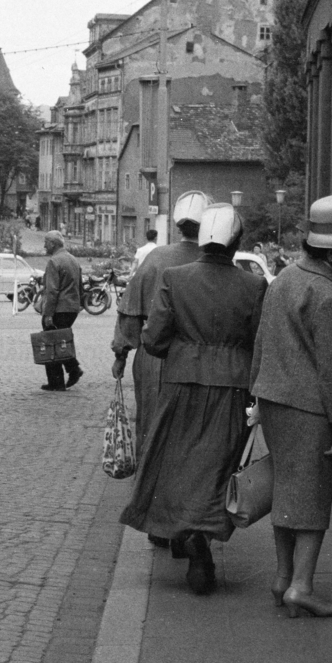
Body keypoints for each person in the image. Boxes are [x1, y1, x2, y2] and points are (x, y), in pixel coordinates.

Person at [119, 204, 266, 594]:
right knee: (218, 464)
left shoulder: (175, 278)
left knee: (179, 460)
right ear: (236, 242)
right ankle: (204, 536)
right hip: (231, 388)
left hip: (182, 383)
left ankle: (186, 533)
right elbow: (258, 342)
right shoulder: (253, 286)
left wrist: (183, 352)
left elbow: (153, 339)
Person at [249, 193, 332, 619]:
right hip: (310, 407)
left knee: (287, 490)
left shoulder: (284, 279)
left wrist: (257, 392)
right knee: (314, 496)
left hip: (274, 399)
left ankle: (283, 578)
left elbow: (261, 342)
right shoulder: (329, 297)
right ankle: (301, 586)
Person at [112, 191, 211, 451]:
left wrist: (120, 354)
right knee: (190, 428)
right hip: (197, 358)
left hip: (153, 357)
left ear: (179, 226)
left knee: (150, 422)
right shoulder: (213, 262)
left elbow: (130, 311)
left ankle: (148, 481)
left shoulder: (156, 258)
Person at [38, 230, 84, 391]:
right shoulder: (73, 259)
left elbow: (52, 291)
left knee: (52, 342)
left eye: (46, 242)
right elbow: (80, 285)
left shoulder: (54, 261)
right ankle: (68, 372)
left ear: (53, 244)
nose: (44, 245)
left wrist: (48, 314)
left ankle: (60, 379)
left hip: (58, 308)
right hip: (71, 308)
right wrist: (80, 304)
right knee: (60, 340)